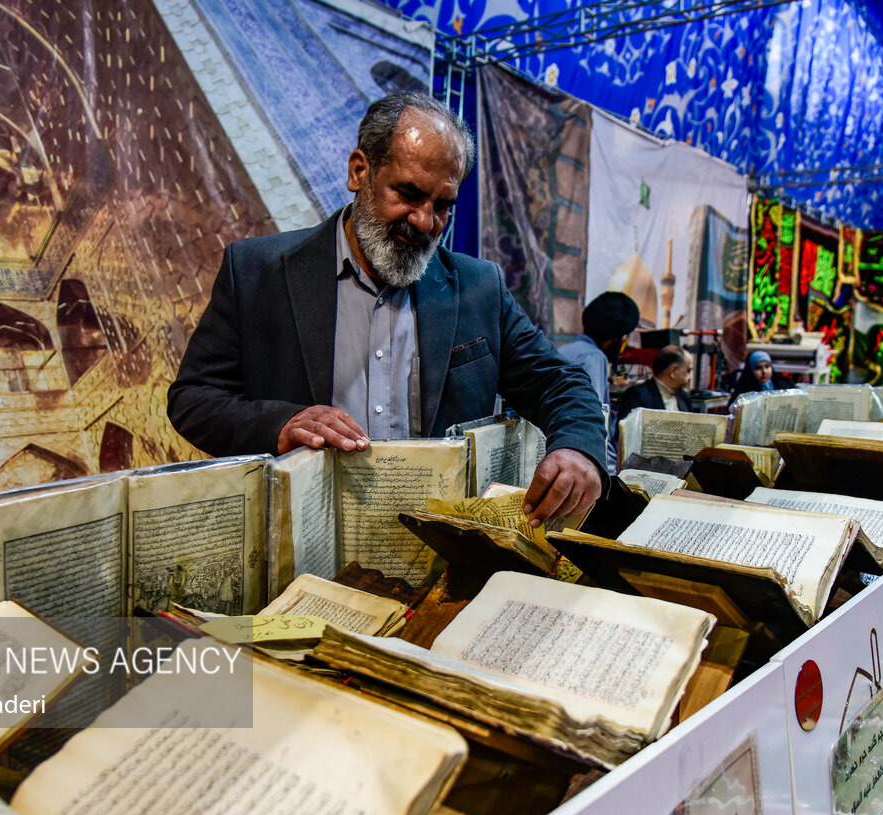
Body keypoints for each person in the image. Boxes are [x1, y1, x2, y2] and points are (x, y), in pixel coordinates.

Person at [167, 91, 604, 527]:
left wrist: (578, 449)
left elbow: (560, 383)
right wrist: (281, 424)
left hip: (436, 549)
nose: (424, 221)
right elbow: (194, 398)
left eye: (443, 206)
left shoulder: (478, 288)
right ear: (360, 171)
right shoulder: (258, 272)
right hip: (302, 543)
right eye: (409, 194)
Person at [558, 292, 639, 473]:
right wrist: (610, 474)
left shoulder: (566, 349)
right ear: (616, 338)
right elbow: (594, 420)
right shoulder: (593, 357)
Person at [617, 345, 693, 420]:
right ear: (673, 371)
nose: (690, 377)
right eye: (688, 371)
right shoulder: (638, 396)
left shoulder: (684, 398)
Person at [729, 350, 794, 404]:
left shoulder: (784, 386)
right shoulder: (743, 393)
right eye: (758, 368)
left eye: (767, 366)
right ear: (751, 370)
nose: (764, 372)